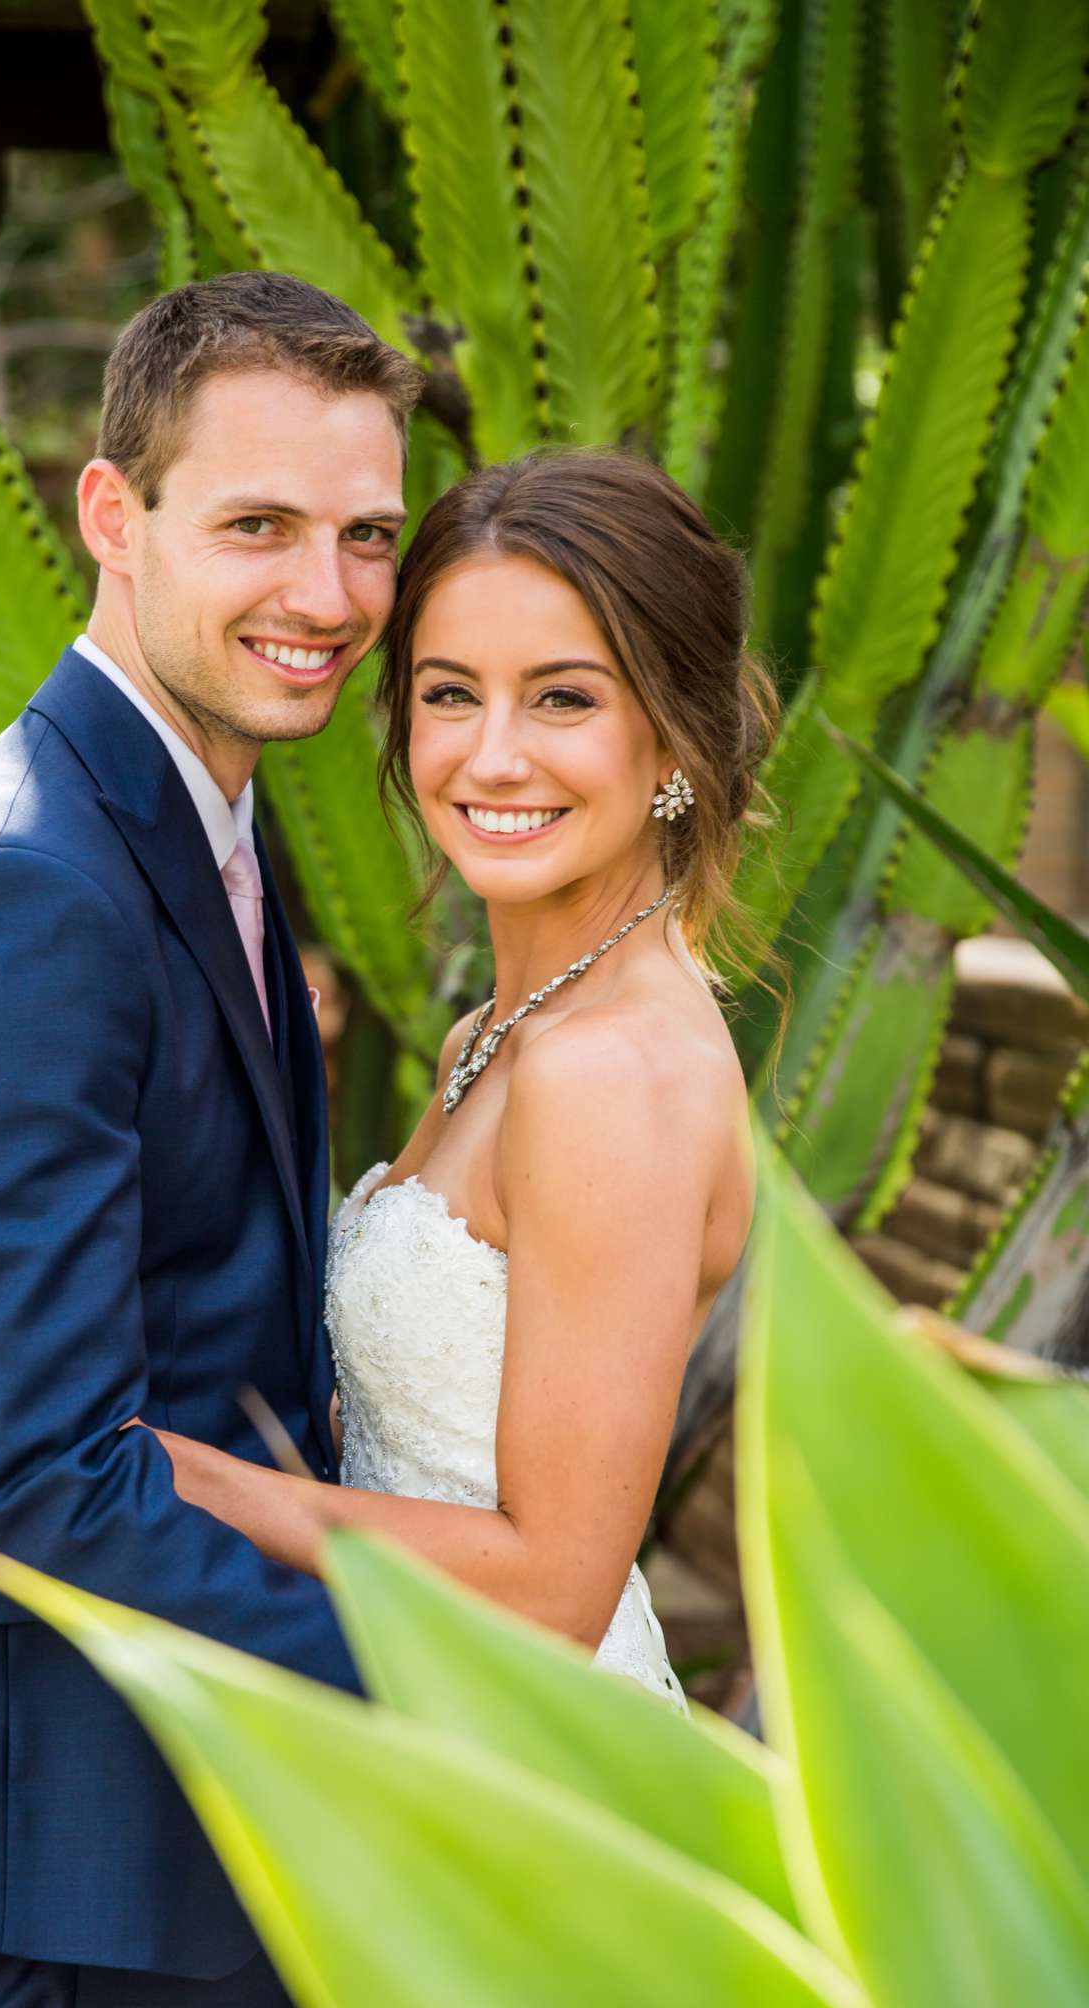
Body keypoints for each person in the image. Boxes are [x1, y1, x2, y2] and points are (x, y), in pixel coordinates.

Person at [0, 271, 423, 2008]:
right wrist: (434, 1694)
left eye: (363, 535)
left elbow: (671, 776)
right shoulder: (26, 887)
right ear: (111, 514)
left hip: (187, 1779)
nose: (325, 593)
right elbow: (44, 1480)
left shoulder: (214, 822)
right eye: (255, 526)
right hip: (85, 1809)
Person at [145, 449, 776, 1703]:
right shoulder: (500, 1031)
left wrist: (173, 1472)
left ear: (676, 738)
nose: (489, 759)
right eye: (448, 693)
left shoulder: (609, 1075)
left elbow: (554, 1587)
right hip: (421, 1716)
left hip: (541, 1766)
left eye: (561, 700)